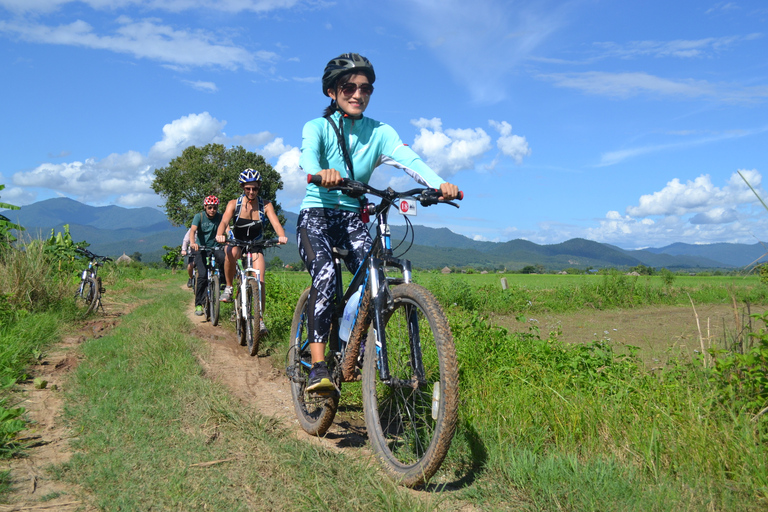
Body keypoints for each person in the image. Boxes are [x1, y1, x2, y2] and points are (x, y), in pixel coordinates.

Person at [297, 53, 460, 393]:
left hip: (352, 215)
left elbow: (410, 161)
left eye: (365, 88)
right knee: (326, 274)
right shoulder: (318, 127)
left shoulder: (380, 132)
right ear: (332, 92)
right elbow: (308, 157)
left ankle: (348, 347)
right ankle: (317, 365)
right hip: (318, 214)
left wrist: (438, 185)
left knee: (371, 281)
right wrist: (320, 173)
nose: (358, 94)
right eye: (348, 87)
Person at [215, 169, 288, 333]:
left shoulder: (266, 205)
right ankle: (228, 287)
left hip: (256, 243)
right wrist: (220, 234)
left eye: (254, 188)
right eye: (248, 188)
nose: (251, 192)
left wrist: (281, 236)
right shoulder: (234, 204)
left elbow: (276, 223)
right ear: (243, 187)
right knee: (231, 252)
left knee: (260, 279)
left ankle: (260, 320)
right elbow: (224, 220)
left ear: (259, 187)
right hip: (237, 241)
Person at [189, 196, 226, 316]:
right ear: (205, 207)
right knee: (203, 275)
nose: (212, 210)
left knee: (224, 258)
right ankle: (199, 304)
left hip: (216, 247)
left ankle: (223, 283)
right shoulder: (199, 217)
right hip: (201, 248)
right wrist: (193, 243)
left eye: (215, 208)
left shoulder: (220, 217)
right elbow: (193, 231)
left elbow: (227, 228)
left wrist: (230, 238)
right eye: (209, 207)